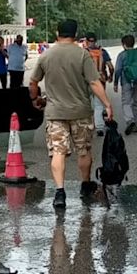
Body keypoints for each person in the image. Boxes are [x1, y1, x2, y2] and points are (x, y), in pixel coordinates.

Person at [29, 19, 113, 208]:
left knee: (58, 152)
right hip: (81, 112)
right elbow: (94, 82)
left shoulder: (46, 55)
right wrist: (107, 104)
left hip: (55, 113)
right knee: (83, 150)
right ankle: (85, 185)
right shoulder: (82, 55)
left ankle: (60, 193)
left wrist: (35, 99)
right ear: (76, 34)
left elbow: (33, 82)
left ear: (57, 32)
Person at [84, 32, 114, 137]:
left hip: (86, 82)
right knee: (98, 105)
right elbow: (110, 66)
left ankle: (87, 126)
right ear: (96, 41)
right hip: (100, 82)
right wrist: (110, 76)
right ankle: (99, 127)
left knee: (86, 104)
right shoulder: (103, 52)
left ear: (86, 41)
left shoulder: (83, 52)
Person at [114, 34, 137, 135]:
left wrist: (115, 82)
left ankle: (130, 120)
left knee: (126, 102)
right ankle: (136, 122)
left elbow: (118, 70)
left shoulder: (122, 55)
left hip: (126, 81)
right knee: (136, 102)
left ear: (123, 44)